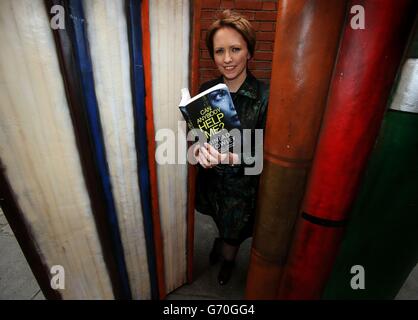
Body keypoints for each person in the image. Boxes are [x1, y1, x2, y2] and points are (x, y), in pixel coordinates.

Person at [193, 10, 269, 285]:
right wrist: (200, 150)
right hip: (213, 181)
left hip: (242, 188)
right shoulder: (207, 88)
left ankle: (228, 261)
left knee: (234, 232)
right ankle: (221, 244)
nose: (227, 59)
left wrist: (232, 156)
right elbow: (200, 134)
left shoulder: (265, 97)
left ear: (249, 51)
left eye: (235, 49)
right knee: (216, 219)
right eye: (219, 51)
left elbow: (266, 155)